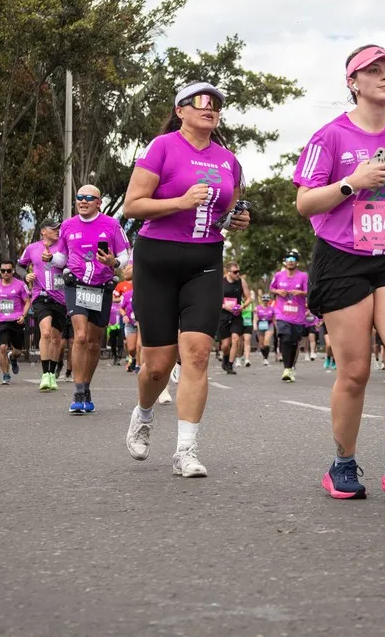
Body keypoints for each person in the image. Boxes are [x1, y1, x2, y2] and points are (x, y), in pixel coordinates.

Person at [295, 44, 385, 501]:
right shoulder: (330, 136)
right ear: (352, 83)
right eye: (372, 71)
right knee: (355, 371)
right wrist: (350, 183)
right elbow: (304, 203)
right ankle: (341, 463)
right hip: (342, 256)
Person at [123, 81, 249, 478]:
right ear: (181, 110)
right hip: (156, 259)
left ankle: (185, 450)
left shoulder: (229, 160)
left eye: (216, 103)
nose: (209, 108)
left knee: (195, 355)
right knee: (157, 366)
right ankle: (143, 413)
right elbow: (132, 205)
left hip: (205, 259)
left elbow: (228, 212)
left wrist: (239, 220)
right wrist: (179, 202)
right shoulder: (162, 147)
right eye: (200, 102)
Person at [46, 185, 130, 414]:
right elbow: (63, 256)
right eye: (79, 198)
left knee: (94, 343)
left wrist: (113, 262)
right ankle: (77, 392)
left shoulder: (111, 224)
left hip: (102, 287)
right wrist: (52, 258)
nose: (82, 201)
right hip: (76, 285)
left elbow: (124, 256)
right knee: (80, 337)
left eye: (88, 198)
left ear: (98, 202)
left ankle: (87, 386)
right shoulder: (68, 225)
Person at [19, 219, 66, 392]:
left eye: (58, 229)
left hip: (61, 298)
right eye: (53, 229)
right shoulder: (32, 248)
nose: (57, 231)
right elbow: (19, 266)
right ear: (43, 231)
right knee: (45, 332)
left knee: (56, 338)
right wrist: (26, 275)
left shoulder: (64, 246)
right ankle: (45, 374)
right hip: (40, 296)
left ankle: (52, 374)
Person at [0, 262, 31, 385]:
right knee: (2, 347)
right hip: (2, 321)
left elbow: (27, 301)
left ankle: (13, 357)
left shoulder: (20, 285)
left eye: (8, 270)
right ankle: (5, 375)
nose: (5, 273)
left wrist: (23, 315)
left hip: (16, 320)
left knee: (18, 351)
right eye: (3, 271)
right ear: (0, 271)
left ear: (13, 271)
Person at [270, 251, 309, 382]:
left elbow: (309, 291)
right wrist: (278, 291)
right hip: (282, 313)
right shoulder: (278, 275)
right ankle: (286, 369)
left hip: (298, 315)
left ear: (297, 262)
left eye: (293, 259)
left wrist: (301, 292)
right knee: (285, 339)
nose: (290, 261)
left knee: (294, 342)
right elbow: (272, 288)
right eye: (288, 258)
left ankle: (291, 367)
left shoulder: (303, 276)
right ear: (284, 261)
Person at [218, 262, 251, 374]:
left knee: (236, 339)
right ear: (228, 272)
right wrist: (224, 306)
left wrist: (243, 306)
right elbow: (214, 299)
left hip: (236, 315)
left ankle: (230, 365)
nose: (238, 274)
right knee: (225, 345)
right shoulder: (220, 282)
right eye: (235, 272)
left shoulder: (241, 282)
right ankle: (225, 358)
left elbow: (248, 298)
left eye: (239, 271)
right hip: (223, 315)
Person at [254, 294, 275, 365]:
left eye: (267, 300)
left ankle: (266, 358)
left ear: (269, 301)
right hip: (260, 325)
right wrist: (254, 325)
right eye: (264, 300)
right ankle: (264, 356)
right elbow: (255, 317)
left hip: (269, 325)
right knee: (261, 345)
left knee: (266, 341)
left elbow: (274, 319)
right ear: (262, 300)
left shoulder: (272, 309)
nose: (266, 301)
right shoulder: (257, 308)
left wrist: (277, 328)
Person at [107, 291, 124, 365]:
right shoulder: (108, 304)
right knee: (113, 343)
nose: (116, 298)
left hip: (120, 326)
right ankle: (115, 356)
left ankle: (119, 357)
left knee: (120, 342)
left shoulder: (121, 304)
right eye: (115, 296)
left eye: (117, 296)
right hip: (111, 327)